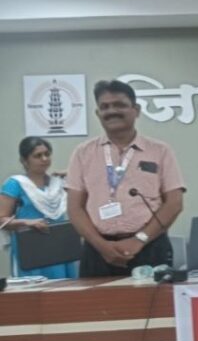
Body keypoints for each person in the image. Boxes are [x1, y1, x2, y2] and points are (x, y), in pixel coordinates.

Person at [65, 79, 186, 277]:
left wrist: (139, 239)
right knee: (94, 299)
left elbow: (174, 203)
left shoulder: (160, 151)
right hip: (98, 251)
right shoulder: (83, 153)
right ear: (98, 113)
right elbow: (74, 208)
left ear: (136, 110)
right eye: (105, 107)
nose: (112, 111)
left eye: (119, 105)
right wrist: (101, 246)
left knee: (154, 299)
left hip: (149, 247)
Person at [0, 137, 77, 278]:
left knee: (64, 287)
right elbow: (2, 220)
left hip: (59, 246)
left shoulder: (58, 183)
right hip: (31, 249)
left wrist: (73, 173)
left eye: (47, 154)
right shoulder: (15, 184)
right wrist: (27, 222)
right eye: (38, 156)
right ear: (24, 161)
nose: (44, 159)